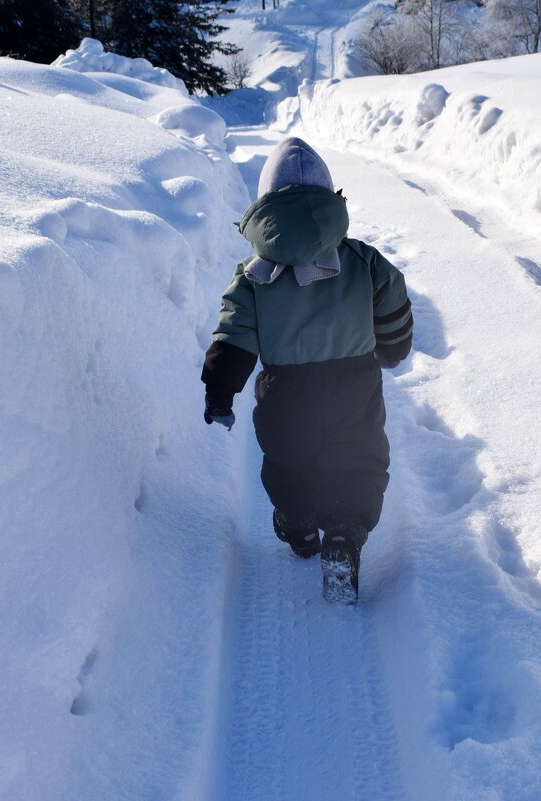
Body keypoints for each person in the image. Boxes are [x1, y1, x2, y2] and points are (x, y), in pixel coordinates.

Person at [201, 137, 413, 604]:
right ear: (329, 201)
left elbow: (234, 333)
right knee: (357, 459)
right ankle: (344, 532)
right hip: (354, 381)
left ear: (265, 209)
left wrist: (220, 390)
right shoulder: (363, 260)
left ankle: (298, 526)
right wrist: (393, 348)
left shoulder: (253, 274)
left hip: (285, 391)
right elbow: (393, 303)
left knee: (289, 463)